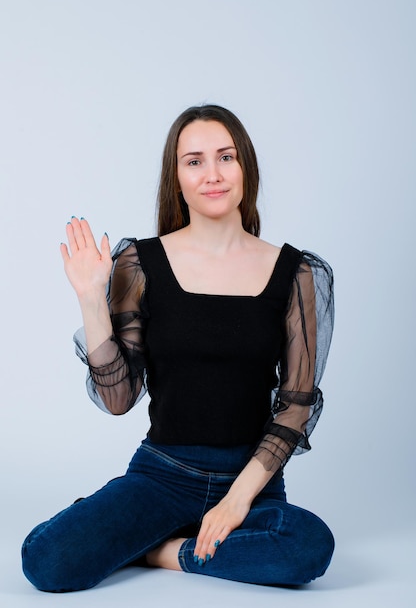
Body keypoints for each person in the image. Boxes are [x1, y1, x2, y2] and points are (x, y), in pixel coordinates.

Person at [21, 104, 335, 592]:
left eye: (225, 157)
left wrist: (235, 501)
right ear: (177, 177)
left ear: (245, 166)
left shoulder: (295, 273)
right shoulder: (138, 263)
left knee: (308, 547)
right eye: (194, 161)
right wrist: (90, 299)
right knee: (47, 560)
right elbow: (119, 400)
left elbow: (295, 406)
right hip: (162, 477)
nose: (212, 174)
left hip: (252, 481)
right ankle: (163, 534)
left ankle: (161, 550)